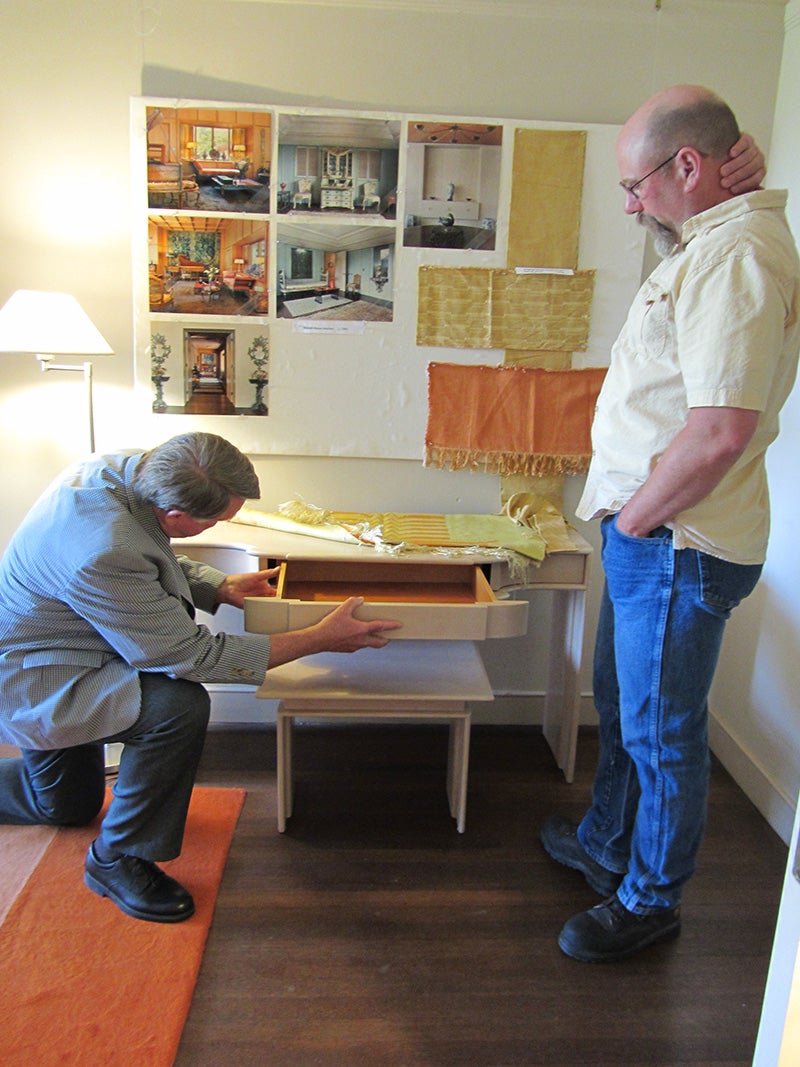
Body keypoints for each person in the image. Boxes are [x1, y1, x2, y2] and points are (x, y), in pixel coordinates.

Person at [540, 85, 800, 962]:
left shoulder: (736, 257)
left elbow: (721, 428)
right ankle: (609, 844)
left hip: (676, 542)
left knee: (661, 731)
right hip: (653, 534)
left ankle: (651, 899)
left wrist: (640, 522)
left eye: (636, 184)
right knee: (624, 709)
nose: (629, 202)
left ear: (688, 166)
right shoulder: (709, 240)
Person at [0, 432, 401, 923]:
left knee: (65, 807)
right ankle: (118, 860)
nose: (220, 525)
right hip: (40, 680)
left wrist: (220, 585)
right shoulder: (102, 548)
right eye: (213, 520)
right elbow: (191, 656)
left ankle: (64, 804)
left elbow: (149, 554)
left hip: (76, 646)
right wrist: (320, 638)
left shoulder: (123, 470)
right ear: (174, 513)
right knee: (177, 707)